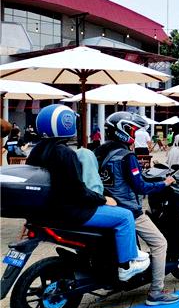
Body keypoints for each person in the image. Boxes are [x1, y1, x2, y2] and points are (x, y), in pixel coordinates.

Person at [26, 104, 149, 282]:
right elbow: (78, 190)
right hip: (72, 211)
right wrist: (102, 199)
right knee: (125, 216)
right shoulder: (65, 153)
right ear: (67, 124)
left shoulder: (36, 151)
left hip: (50, 211)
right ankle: (126, 265)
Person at [95, 112, 179, 306]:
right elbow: (140, 187)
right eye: (132, 130)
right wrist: (164, 183)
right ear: (123, 130)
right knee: (159, 243)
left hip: (106, 207)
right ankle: (156, 292)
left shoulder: (99, 151)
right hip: (129, 211)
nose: (134, 134)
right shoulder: (127, 156)